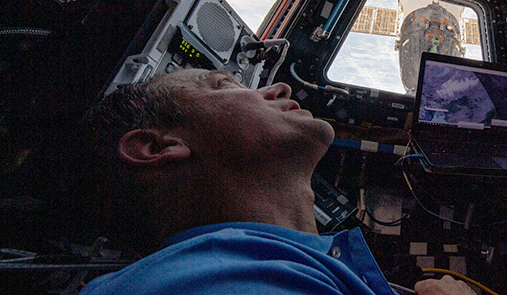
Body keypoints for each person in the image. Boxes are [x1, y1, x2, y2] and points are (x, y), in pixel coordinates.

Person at [74, 69, 474, 295]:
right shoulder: (213, 284)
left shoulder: (272, 269)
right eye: (226, 84)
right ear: (157, 146)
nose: (279, 87)